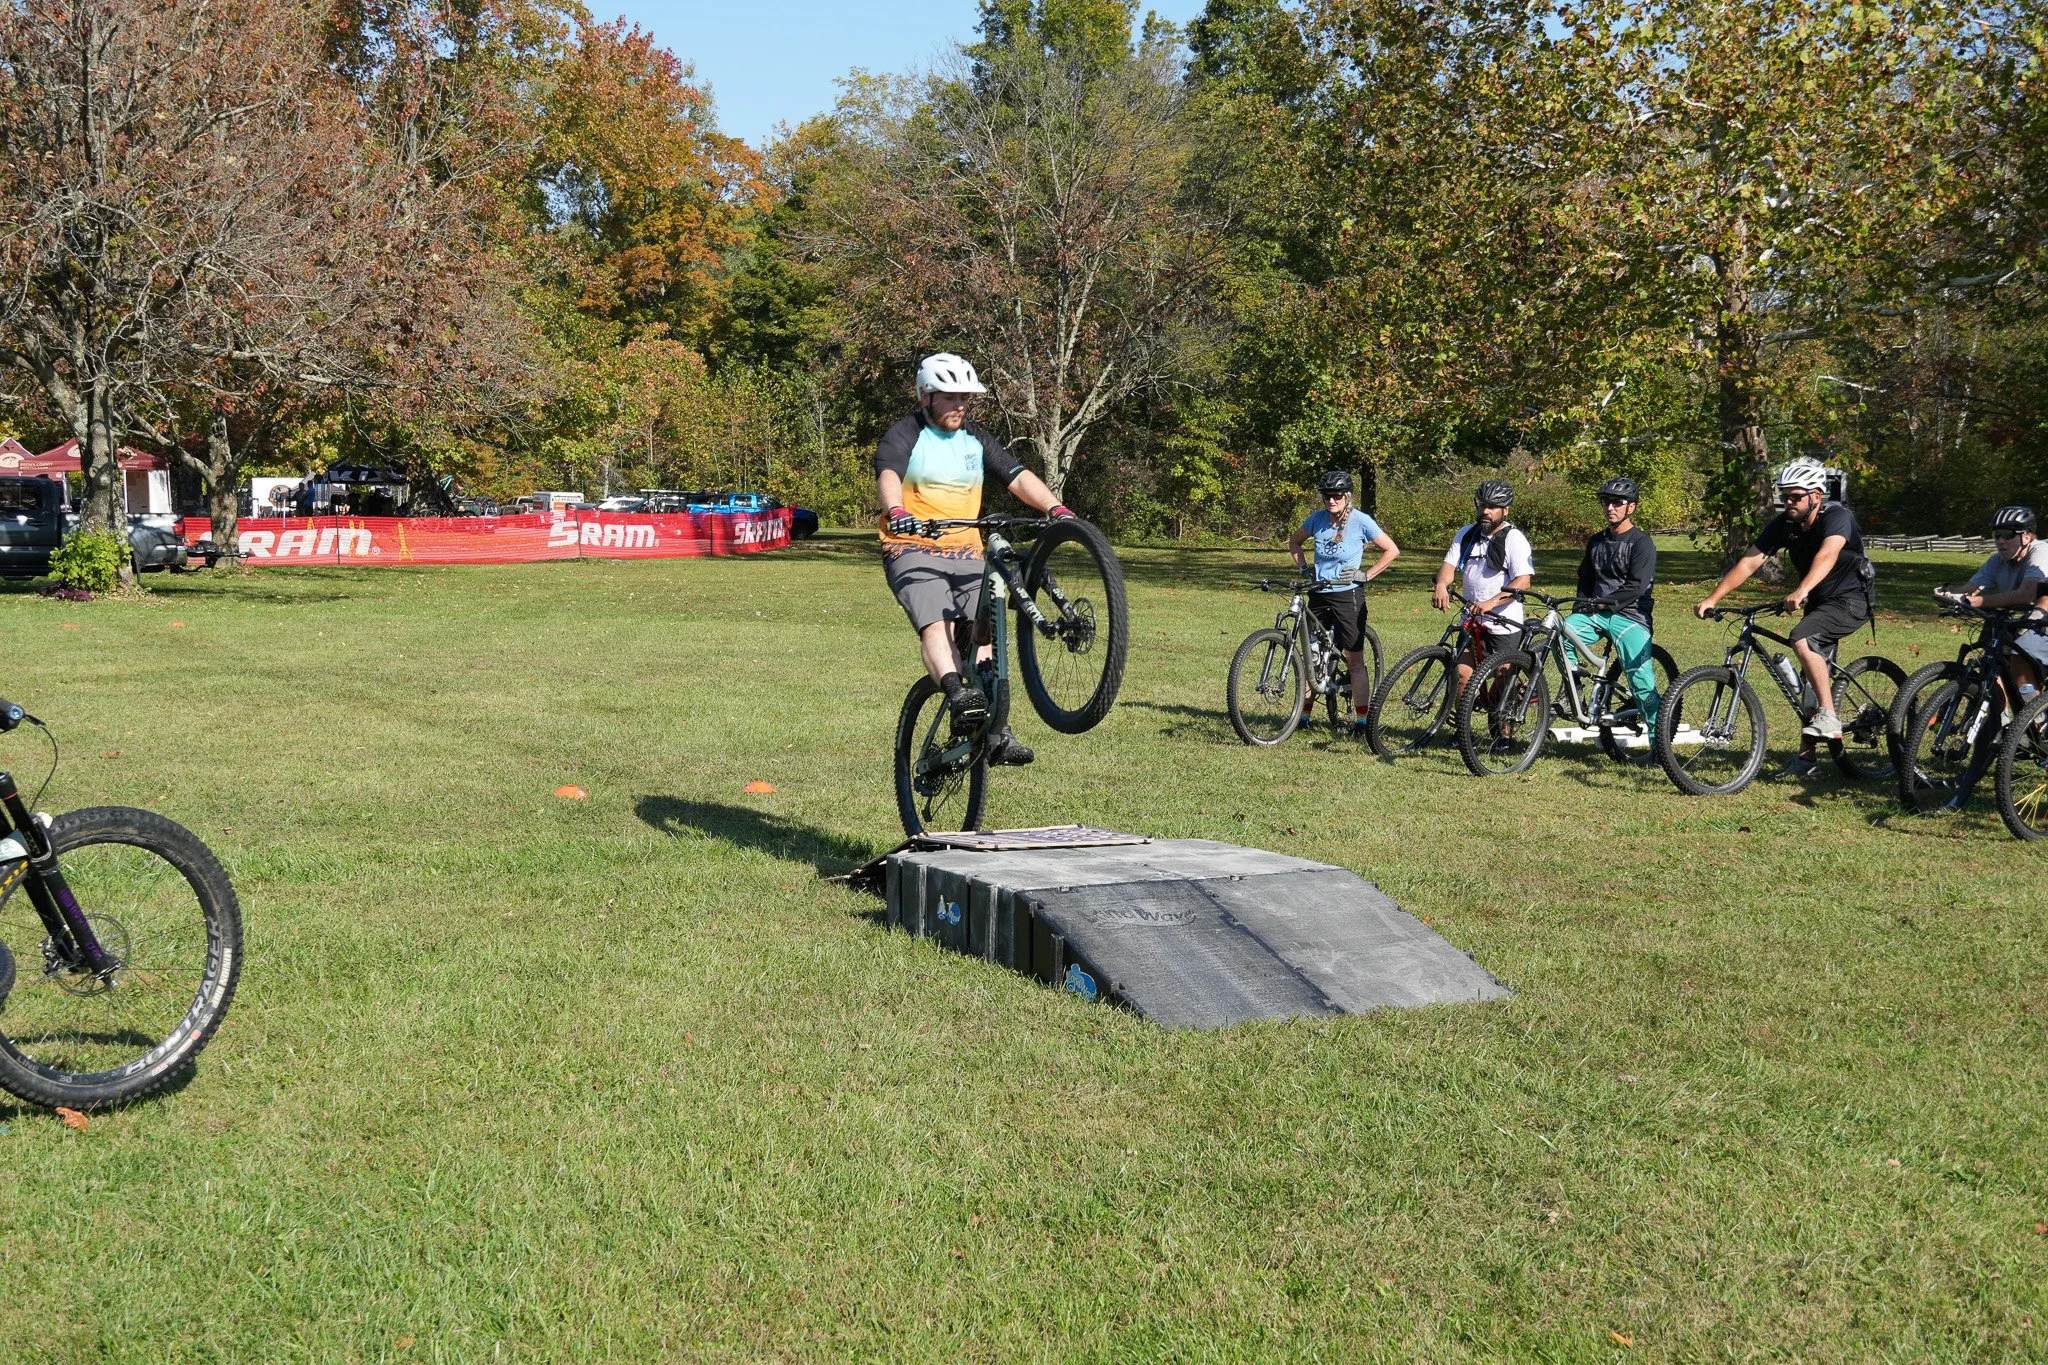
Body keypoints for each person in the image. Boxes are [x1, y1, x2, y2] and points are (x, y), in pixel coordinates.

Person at [875, 352, 1071, 766]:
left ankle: (997, 731)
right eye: (950, 397)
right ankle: (956, 692)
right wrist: (897, 511)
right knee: (938, 621)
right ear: (926, 397)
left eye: (965, 397)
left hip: (966, 552)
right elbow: (889, 474)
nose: (960, 405)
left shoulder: (975, 438)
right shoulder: (904, 434)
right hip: (911, 548)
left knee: (983, 637)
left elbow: (1016, 476)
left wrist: (1056, 509)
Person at [1694, 457, 1875, 775]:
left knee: (1801, 638)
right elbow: (1750, 562)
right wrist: (1712, 598)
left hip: (1851, 600)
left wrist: (1801, 590)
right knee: (1809, 678)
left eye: (1795, 496)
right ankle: (1807, 760)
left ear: (1816, 496)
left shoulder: (1837, 517)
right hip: (1819, 601)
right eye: (1785, 496)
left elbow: (1828, 553)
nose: (1788, 502)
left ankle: (1829, 715)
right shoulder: (1786, 524)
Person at [1287, 469, 1400, 734]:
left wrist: (1366, 575)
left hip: (1347, 595)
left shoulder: (1361, 521)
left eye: (1337, 495)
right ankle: (1303, 717)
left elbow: (1391, 549)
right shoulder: (1317, 519)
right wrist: (1303, 567)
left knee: (1354, 660)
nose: (1331, 500)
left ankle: (1362, 721)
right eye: (1327, 496)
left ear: (1347, 496)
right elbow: (1295, 542)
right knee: (1312, 657)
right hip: (1319, 593)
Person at [1562, 476, 1659, 736]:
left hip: (1631, 617)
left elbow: (1637, 586)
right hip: (1595, 613)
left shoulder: (1642, 543)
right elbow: (1585, 578)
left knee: (1642, 683)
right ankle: (1574, 688)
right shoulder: (1596, 541)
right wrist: (1581, 606)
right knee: (1561, 632)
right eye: (1606, 502)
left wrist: (1604, 603)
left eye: (1617, 502)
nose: (1610, 507)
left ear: (1631, 507)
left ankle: (1659, 742)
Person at [1937, 504, 2048, 711]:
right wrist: (1949, 595)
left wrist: (1978, 602)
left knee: (2019, 656)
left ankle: (2036, 719)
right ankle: (2000, 721)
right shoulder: (1998, 561)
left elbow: (2026, 594)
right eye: (1997, 535)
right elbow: (1968, 590)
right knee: (1989, 665)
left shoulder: (2041, 553)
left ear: (2026, 536)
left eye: (2008, 535)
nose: (2000, 541)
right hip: (2017, 620)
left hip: (2042, 619)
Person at [1432, 480, 1534, 697]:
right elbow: (1448, 566)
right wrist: (1441, 585)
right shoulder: (1466, 534)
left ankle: (1507, 717)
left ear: (1505, 510)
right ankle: (1461, 720)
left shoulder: (1514, 538)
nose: (1486, 511)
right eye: (1482, 505)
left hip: (1504, 623)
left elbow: (1523, 581)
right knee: (1461, 676)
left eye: (1493, 507)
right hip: (1472, 619)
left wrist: (1491, 603)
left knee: (1502, 676)